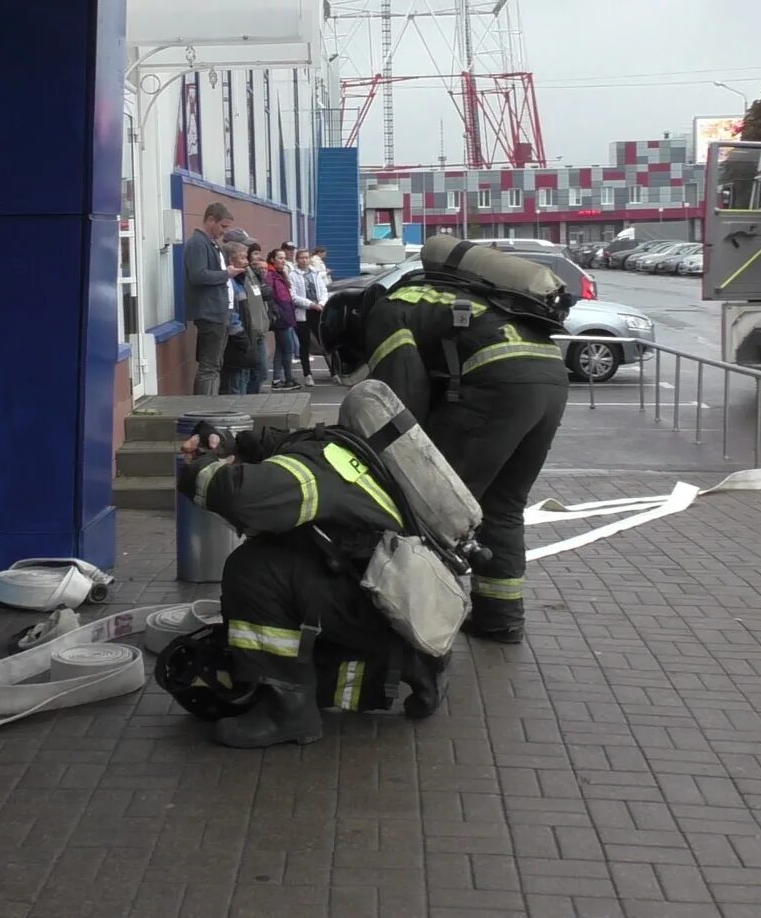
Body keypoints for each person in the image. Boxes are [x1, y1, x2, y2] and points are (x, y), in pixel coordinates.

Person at [342, 236, 570, 644]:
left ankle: (418, 623)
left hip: (497, 385)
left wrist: (396, 459)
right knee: (502, 505)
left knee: (434, 511)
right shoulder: (449, 295)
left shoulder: (387, 311)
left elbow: (398, 397)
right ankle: (500, 618)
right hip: (550, 378)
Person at [175, 422, 447, 747]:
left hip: (377, 606)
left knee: (253, 571)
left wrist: (199, 468)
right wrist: (229, 444)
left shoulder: (306, 471)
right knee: (290, 559)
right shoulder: (336, 446)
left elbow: (239, 496)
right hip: (401, 595)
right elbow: (270, 444)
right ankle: (411, 660)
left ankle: (287, 713)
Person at [185, 203, 241, 395]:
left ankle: (209, 405)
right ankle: (204, 408)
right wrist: (227, 274)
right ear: (210, 220)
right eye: (223, 226)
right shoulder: (197, 243)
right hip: (210, 313)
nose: (224, 232)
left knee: (215, 364)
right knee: (209, 367)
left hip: (218, 311)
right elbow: (198, 275)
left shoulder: (211, 243)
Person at [222, 229, 270, 395]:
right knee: (240, 378)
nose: (249, 254)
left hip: (258, 330)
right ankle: (245, 405)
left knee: (260, 372)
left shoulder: (249, 271)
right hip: (244, 332)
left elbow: (262, 295)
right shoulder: (232, 276)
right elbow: (233, 307)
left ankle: (250, 402)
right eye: (245, 250)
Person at [218, 242, 257, 395]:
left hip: (244, 336)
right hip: (235, 341)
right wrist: (241, 336)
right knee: (234, 384)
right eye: (242, 258)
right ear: (231, 262)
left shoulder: (240, 282)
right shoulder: (230, 284)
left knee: (243, 379)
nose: (246, 262)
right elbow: (231, 312)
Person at [266, 248, 303, 391]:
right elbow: (272, 297)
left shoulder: (279, 275)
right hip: (281, 318)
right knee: (288, 349)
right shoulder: (271, 276)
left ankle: (277, 379)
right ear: (272, 260)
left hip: (285, 316)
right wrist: (278, 314)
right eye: (280, 258)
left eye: (284, 258)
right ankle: (288, 378)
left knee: (281, 350)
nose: (283, 260)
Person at [296, 248, 330, 384]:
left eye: (306, 257)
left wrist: (321, 303)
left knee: (324, 341)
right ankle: (307, 374)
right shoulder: (293, 275)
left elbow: (323, 290)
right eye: (301, 258)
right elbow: (293, 296)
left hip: (318, 311)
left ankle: (333, 371)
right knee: (305, 343)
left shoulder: (315, 274)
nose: (304, 260)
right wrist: (310, 304)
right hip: (304, 312)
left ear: (310, 259)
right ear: (297, 260)